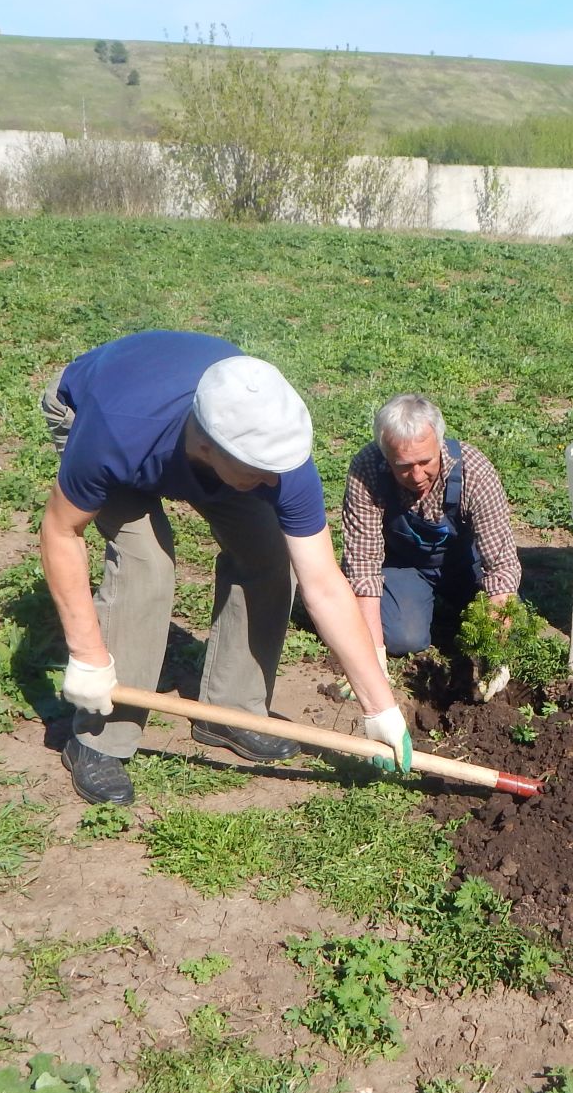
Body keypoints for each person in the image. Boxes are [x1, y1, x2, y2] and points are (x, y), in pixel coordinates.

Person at [39, 330, 410, 806]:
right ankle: (99, 739)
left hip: (185, 436)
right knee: (146, 564)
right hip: (97, 410)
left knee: (269, 554)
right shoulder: (115, 429)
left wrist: (380, 706)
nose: (276, 483)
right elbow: (60, 531)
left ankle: (230, 712)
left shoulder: (277, 458)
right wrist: (87, 655)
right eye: (261, 471)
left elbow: (323, 584)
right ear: (209, 448)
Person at [339, 393, 522, 661]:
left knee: (511, 623)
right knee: (403, 638)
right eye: (403, 466)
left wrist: (495, 655)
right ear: (385, 454)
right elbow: (362, 566)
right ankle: (411, 605)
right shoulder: (368, 468)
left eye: (425, 462)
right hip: (405, 565)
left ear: (439, 441)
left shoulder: (474, 470)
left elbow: (501, 566)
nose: (416, 476)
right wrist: (373, 655)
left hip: (465, 563)